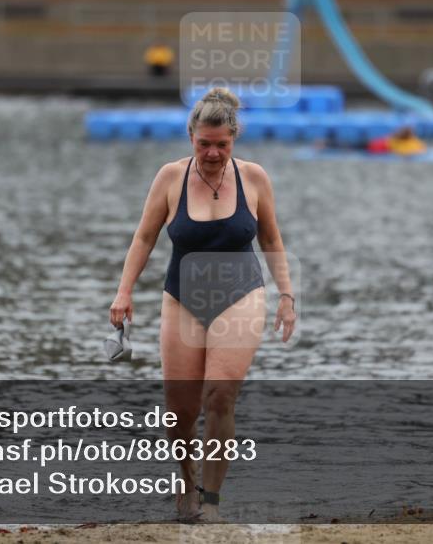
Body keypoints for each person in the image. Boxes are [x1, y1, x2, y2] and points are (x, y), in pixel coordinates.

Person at [109, 87, 296, 522]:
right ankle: (185, 481)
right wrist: (124, 291)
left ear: (234, 140)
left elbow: (271, 238)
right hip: (182, 297)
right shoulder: (170, 178)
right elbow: (143, 237)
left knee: (219, 395)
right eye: (204, 144)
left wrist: (287, 294)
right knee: (179, 409)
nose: (212, 154)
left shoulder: (254, 178)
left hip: (241, 295)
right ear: (191, 136)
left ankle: (210, 500)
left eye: (222, 145)